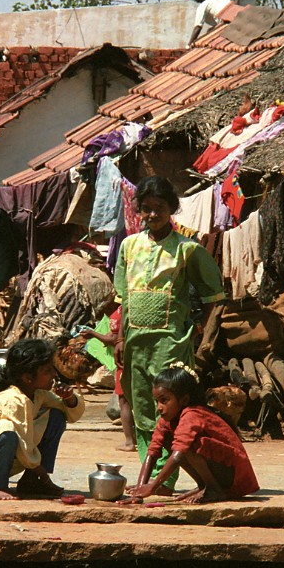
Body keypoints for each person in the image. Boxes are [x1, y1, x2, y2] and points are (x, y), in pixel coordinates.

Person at [114, 176, 225, 494]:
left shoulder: (187, 250)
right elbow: (123, 297)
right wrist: (121, 339)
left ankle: (165, 480)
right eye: (146, 209)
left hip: (171, 344)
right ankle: (149, 477)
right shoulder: (129, 246)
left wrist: (198, 333)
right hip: (135, 343)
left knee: (170, 409)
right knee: (143, 410)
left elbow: (213, 296)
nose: (151, 215)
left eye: (159, 209)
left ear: (172, 209)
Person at [0, 339, 85, 500]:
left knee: (56, 417)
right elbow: (24, 444)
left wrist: (69, 398)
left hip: (14, 454)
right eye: (47, 371)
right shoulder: (13, 399)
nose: (54, 375)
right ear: (28, 378)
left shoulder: (38, 394)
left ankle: (31, 481)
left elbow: (71, 414)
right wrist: (44, 476)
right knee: (6, 429)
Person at [120, 363, 259, 504]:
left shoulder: (192, 415)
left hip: (235, 479)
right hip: (222, 475)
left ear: (184, 400)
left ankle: (213, 489)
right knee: (171, 441)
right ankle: (205, 486)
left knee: (187, 446)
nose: (159, 408)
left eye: (164, 400)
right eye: (157, 402)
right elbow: (152, 452)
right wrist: (139, 492)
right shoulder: (167, 419)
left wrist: (152, 487)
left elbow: (178, 455)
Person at [82, 305, 136, 452]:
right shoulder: (128, 307)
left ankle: (129, 441)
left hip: (123, 362)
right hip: (132, 359)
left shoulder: (123, 311)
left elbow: (113, 339)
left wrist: (93, 334)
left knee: (124, 401)